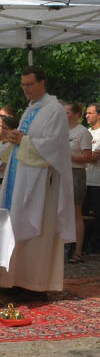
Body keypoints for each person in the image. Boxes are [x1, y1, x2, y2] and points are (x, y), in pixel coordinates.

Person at [0, 67, 75, 300]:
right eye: (23, 85)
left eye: (30, 84)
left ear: (43, 83)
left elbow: (55, 146)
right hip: (19, 179)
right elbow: (24, 137)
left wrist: (24, 140)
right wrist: (15, 138)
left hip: (41, 184)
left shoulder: (54, 110)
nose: (26, 89)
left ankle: (33, 286)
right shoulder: (32, 109)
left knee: (36, 235)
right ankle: (13, 280)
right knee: (15, 228)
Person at [64, 102, 92, 263]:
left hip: (76, 173)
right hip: (62, 173)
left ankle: (78, 251)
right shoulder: (62, 131)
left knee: (75, 212)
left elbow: (87, 157)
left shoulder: (82, 132)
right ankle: (63, 247)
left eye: (67, 112)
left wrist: (68, 157)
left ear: (76, 114)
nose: (64, 115)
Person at [84, 102, 100, 254]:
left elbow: (95, 157)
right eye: (86, 113)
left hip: (97, 181)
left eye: (90, 113)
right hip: (85, 179)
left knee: (97, 215)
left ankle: (95, 247)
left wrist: (82, 156)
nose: (87, 116)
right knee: (83, 214)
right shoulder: (86, 132)